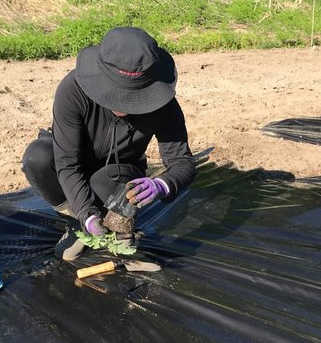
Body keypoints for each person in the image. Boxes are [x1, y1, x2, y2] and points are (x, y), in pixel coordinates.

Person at [21, 27, 196, 260]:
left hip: (117, 171)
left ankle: (115, 229)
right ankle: (76, 223)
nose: (124, 103)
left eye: (134, 97)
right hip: (73, 159)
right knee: (38, 157)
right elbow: (68, 163)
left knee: (110, 186)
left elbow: (182, 162)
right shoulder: (73, 90)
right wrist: (86, 214)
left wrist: (162, 185)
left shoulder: (164, 104)